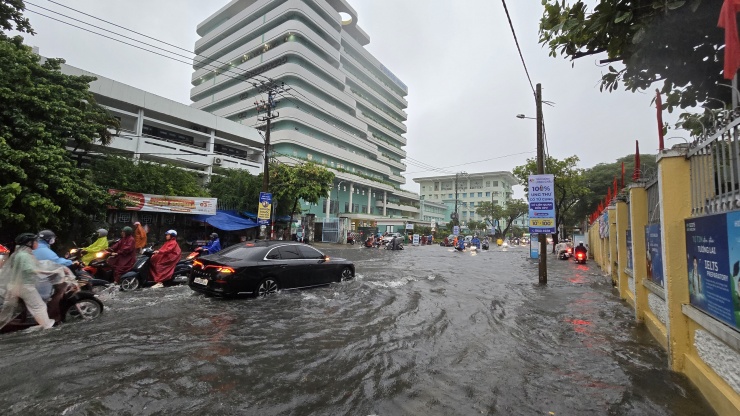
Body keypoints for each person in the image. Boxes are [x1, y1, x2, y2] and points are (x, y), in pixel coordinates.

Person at [0, 233, 56, 330]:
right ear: (29, 243)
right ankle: (47, 326)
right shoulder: (24, 255)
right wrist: (48, 272)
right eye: (35, 241)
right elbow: (29, 269)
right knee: (39, 306)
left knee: (7, 310)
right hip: (25, 286)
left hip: (14, 286)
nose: (37, 243)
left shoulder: (19, 254)